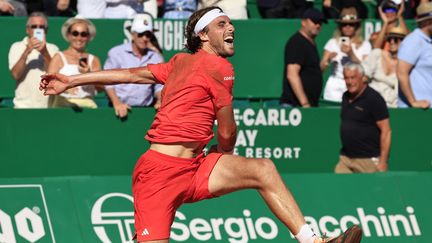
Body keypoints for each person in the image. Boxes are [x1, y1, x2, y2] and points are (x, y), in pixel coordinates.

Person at [40, 7, 363, 243]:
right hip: (159, 173)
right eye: (221, 24)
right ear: (203, 35)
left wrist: (71, 80)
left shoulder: (182, 62)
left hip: (195, 165)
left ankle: (313, 241)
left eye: (230, 22)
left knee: (263, 168)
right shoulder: (215, 66)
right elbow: (226, 130)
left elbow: (131, 74)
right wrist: (223, 153)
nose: (231, 27)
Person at [104, 13, 164, 118]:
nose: (144, 38)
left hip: (146, 110)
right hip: (117, 109)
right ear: (132, 34)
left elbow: (159, 86)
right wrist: (116, 103)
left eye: (148, 34)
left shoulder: (156, 57)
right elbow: (107, 81)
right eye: (140, 34)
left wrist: (160, 100)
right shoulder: (116, 52)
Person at [335, 62, 391, 173]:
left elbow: (386, 131)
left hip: (368, 161)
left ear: (362, 78)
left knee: (370, 190)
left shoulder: (374, 98)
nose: (350, 82)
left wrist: (383, 162)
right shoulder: (345, 96)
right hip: (346, 159)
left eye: (353, 78)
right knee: (339, 187)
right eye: (346, 78)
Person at [320, 7, 371, 103]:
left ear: (356, 26)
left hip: (355, 86)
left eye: (351, 24)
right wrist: (327, 60)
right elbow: (321, 70)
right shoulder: (332, 43)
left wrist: (351, 54)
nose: (347, 27)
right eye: (344, 24)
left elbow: (366, 69)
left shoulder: (365, 45)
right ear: (340, 26)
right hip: (334, 87)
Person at [47, 17, 101, 108]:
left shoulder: (94, 59)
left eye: (83, 34)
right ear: (69, 35)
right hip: (62, 104)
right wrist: (65, 88)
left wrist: (89, 75)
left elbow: (101, 88)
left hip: (87, 105)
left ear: (88, 37)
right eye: (75, 33)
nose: (79, 38)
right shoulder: (59, 57)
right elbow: (47, 83)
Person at [8, 12, 59, 108]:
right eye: (34, 26)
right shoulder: (16, 46)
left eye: (41, 27)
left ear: (46, 30)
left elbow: (54, 76)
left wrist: (44, 52)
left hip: (47, 107)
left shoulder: (53, 48)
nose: (38, 29)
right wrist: (27, 51)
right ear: (27, 30)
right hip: (23, 106)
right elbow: (15, 75)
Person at [280, 8, 327, 107]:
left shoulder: (310, 43)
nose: (318, 25)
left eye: (320, 23)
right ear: (304, 22)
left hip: (306, 106)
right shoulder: (297, 42)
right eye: (314, 22)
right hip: (295, 107)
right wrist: (305, 103)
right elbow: (292, 75)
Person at [397, 2, 432, 108]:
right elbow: (401, 73)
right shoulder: (413, 41)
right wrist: (413, 102)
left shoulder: (428, 41)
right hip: (416, 112)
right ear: (427, 21)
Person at [363, 27, 407, 107]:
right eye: (389, 39)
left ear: (404, 42)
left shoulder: (406, 64)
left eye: (396, 39)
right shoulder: (377, 54)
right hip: (370, 103)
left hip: (392, 105)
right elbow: (362, 78)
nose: (392, 42)